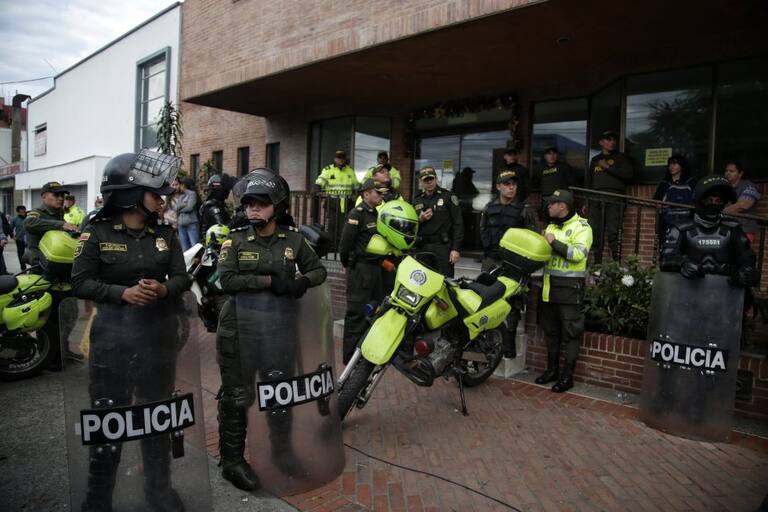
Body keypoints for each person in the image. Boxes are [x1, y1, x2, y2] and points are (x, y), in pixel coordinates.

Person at [71, 150, 190, 512]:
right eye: (155, 193)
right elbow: (79, 282)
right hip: (111, 342)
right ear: (130, 192)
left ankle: (159, 492)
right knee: (109, 423)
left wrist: (164, 289)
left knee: (156, 420)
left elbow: (182, 278)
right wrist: (121, 293)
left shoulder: (165, 233)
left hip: (157, 339)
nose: (163, 199)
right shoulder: (96, 232)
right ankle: (98, 500)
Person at [215, 168, 327, 490]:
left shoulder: (293, 240)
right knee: (237, 395)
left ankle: (282, 453)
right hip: (240, 329)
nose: (253, 209)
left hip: (278, 328)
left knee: (279, 392)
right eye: (249, 203)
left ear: (276, 207)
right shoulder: (235, 240)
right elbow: (227, 280)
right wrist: (268, 281)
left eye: (261, 204)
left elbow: (318, 270)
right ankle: (232, 461)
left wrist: (300, 282)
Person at [535, 189, 593, 393]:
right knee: (551, 332)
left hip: (569, 290)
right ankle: (551, 371)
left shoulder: (582, 227)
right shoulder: (552, 226)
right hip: (548, 288)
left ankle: (567, 377)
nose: (548, 206)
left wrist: (553, 241)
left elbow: (577, 254)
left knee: (570, 334)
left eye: (552, 203)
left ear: (563, 206)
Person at [661, 175, 758, 288]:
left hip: (726, 293)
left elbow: (748, 262)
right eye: (708, 200)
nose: (713, 204)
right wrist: (681, 263)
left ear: (724, 202)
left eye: (718, 201)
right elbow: (666, 259)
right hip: (688, 292)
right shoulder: (681, 228)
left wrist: (746, 274)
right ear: (699, 200)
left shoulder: (733, 229)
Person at [480, 169, 537, 357]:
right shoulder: (489, 208)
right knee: (487, 298)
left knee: (512, 303)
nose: (511, 188)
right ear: (498, 187)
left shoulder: (523, 210)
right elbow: (482, 231)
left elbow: (532, 237)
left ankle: (508, 343)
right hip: (492, 260)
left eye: (513, 184)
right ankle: (488, 341)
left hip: (513, 263)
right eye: (507, 184)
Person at [339, 178, 387, 364]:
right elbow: (345, 244)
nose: (381, 196)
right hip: (361, 270)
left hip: (374, 270)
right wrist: (347, 263)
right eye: (378, 193)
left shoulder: (375, 213)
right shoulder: (357, 214)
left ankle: (363, 355)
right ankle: (349, 359)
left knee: (373, 311)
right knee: (356, 315)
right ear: (366, 194)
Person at [584, 130, 633, 263]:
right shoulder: (595, 160)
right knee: (595, 231)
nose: (611, 142)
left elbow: (629, 176)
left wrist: (607, 167)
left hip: (614, 198)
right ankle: (597, 264)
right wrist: (586, 201)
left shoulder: (621, 158)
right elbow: (589, 182)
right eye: (608, 139)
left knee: (613, 232)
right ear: (601, 142)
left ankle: (616, 264)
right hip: (596, 199)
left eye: (613, 140)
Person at [412, 166, 463, 277]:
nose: (429, 182)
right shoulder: (417, 200)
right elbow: (411, 225)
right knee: (423, 281)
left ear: (436, 179)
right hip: (423, 248)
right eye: (426, 180)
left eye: (431, 179)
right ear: (421, 182)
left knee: (445, 281)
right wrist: (420, 219)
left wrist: (456, 249)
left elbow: (458, 223)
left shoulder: (447, 196)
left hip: (442, 247)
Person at [24, 181, 79, 266]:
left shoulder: (59, 213)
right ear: (44, 197)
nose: (61, 199)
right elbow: (28, 223)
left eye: (62, 195)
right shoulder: (37, 213)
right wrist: (61, 225)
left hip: (59, 261)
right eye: (56, 195)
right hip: (40, 264)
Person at [314, 150, 358, 246]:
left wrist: (356, 194)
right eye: (338, 158)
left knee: (344, 225)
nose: (341, 160)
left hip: (347, 203)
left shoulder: (350, 171)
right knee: (331, 225)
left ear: (345, 159)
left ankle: (341, 246)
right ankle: (330, 246)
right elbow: (320, 181)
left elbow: (356, 186)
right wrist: (318, 189)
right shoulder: (328, 169)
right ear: (335, 159)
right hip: (333, 202)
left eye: (342, 158)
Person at [653, 154, 696, 242]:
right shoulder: (664, 184)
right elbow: (656, 201)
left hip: (687, 220)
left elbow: (697, 201)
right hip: (667, 221)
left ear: (682, 166)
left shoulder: (691, 183)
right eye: (670, 164)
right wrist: (661, 206)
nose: (671, 166)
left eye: (674, 164)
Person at [722, 160, 762, 244]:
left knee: (739, 252)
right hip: (726, 228)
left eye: (731, 171)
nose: (727, 173)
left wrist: (718, 211)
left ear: (740, 174)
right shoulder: (724, 187)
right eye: (726, 171)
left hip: (743, 230)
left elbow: (743, 205)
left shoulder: (749, 186)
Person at [174, 176, 200, 251]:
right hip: (181, 225)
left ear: (184, 185)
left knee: (194, 247)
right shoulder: (181, 195)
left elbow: (190, 208)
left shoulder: (192, 194)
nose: (179, 187)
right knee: (184, 248)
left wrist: (180, 208)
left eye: (180, 185)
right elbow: (175, 208)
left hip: (191, 223)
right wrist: (184, 204)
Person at [11, 205, 27, 271]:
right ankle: (23, 268)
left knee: (32, 254)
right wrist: (12, 236)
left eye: (24, 211)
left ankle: (34, 268)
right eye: (21, 212)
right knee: (20, 254)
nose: (23, 213)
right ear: (18, 212)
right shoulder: (14, 219)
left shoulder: (29, 218)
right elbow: (10, 228)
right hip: (19, 239)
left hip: (29, 239)